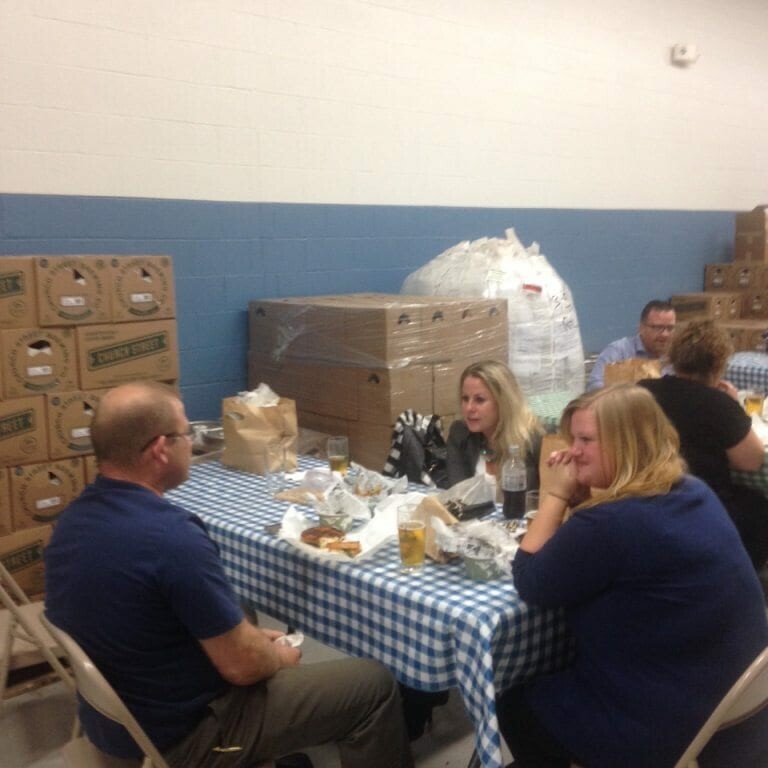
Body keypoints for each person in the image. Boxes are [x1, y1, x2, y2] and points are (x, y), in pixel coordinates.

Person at [45, 381, 413, 768]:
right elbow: (244, 667)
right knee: (374, 684)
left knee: (243, 616)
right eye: (186, 434)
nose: (190, 442)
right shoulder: (173, 538)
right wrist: (275, 655)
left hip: (116, 722)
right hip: (185, 737)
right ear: (159, 449)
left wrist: (248, 637)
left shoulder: (71, 522)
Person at [497, 385, 768, 768]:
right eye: (574, 438)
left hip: (672, 731)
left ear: (627, 443)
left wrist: (555, 497)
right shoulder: (692, 490)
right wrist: (585, 502)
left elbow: (530, 580)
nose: (574, 450)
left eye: (586, 440)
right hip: (741, 712)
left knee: (515, 702)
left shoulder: (610, 522)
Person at [639, 318, 768, 570]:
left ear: (674, 356)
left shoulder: (642, 390)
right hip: (701, 500)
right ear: (718, 363)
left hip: (645, 493)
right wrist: (734, 406)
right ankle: (738, 575)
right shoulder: (718, 404)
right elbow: (751, 461)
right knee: (758, 508)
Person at [445, 359, 542, 489]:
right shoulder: (460, 433)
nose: (469, 408)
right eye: (465, 398)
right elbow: (458, 493)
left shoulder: (533, 440)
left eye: (479, 400)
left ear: (503, 402)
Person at [586, 299, 676, 390]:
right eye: (658, 328)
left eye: (670, 328)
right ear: (641, 328)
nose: (665, 334)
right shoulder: (619, 351)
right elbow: (594, 387)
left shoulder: (677, 358)